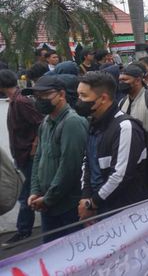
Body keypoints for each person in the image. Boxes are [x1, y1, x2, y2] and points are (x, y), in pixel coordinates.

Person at [77, 71, 148, 221]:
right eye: (79, 95)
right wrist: (85, 197)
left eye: (84, 96)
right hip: (100, 208)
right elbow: (88, 161)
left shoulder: (125, 127)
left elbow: (120, 175)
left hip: (125, 214)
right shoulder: (93, 124)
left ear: (103, 98)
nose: (79, 101)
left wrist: (93, 204)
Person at [23, 76, 88, 242]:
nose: (40, 100)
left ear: (61, 94)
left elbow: (70, 167)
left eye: (45, 95)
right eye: (36, 96)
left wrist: (47, 199)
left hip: (68, 207)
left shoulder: (72, 122)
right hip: (48, 205)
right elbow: (38, 158)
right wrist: (35, 191)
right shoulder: (45, 122)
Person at [0, 70, 44, 245]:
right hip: (22, 154)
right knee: (27, 194)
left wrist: (34, 146)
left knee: (27, 195)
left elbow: (40, 123)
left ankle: (23, 230)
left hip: (28, 155)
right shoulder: (15, 100)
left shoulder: (21, 101)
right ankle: (24, 229)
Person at [118, 64, 148, 134]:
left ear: (137, 81)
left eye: (125, 80)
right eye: (120, 80)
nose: (121, 83)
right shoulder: (122, 102)